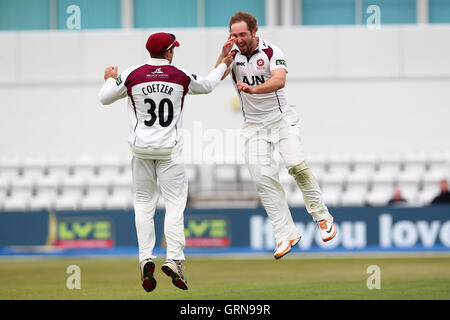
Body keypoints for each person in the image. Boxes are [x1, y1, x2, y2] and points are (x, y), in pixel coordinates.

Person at [98, 32, 233, 292]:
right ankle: (173, 258)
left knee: (144, 205)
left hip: (141, 149)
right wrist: (224, 62)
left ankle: (145, 257)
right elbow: (207, 84)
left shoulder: (132, 74)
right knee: (174, 205)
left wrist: (109, 78)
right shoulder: (179, 75)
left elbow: (104, 98)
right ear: (169, 51)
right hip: (169, 151)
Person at [215, 12, 336, 260]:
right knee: (263, 178)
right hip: (253, 126)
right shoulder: (233, 53)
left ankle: (322, 216)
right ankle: (285, 234)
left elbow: (279, 81)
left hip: (281, 120)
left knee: (296, 167)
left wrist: (253, 89)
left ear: (253, 32)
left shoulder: (272, 52)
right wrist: (222, 54)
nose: (238, 39)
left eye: (243, 34)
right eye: (234, 35)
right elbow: (217, 75)